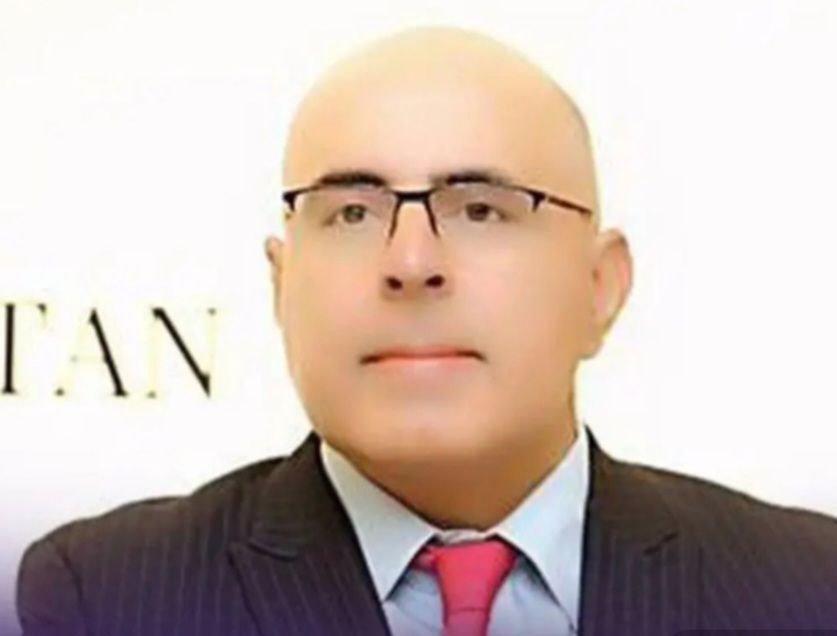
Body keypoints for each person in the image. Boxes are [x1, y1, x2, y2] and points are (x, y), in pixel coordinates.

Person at [15, 26, 837, 636]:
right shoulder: (105, 595)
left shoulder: (804, 589)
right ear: (280, 284)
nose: (410, 262)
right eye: (350, 212)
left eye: (480, 209)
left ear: (600, 285)